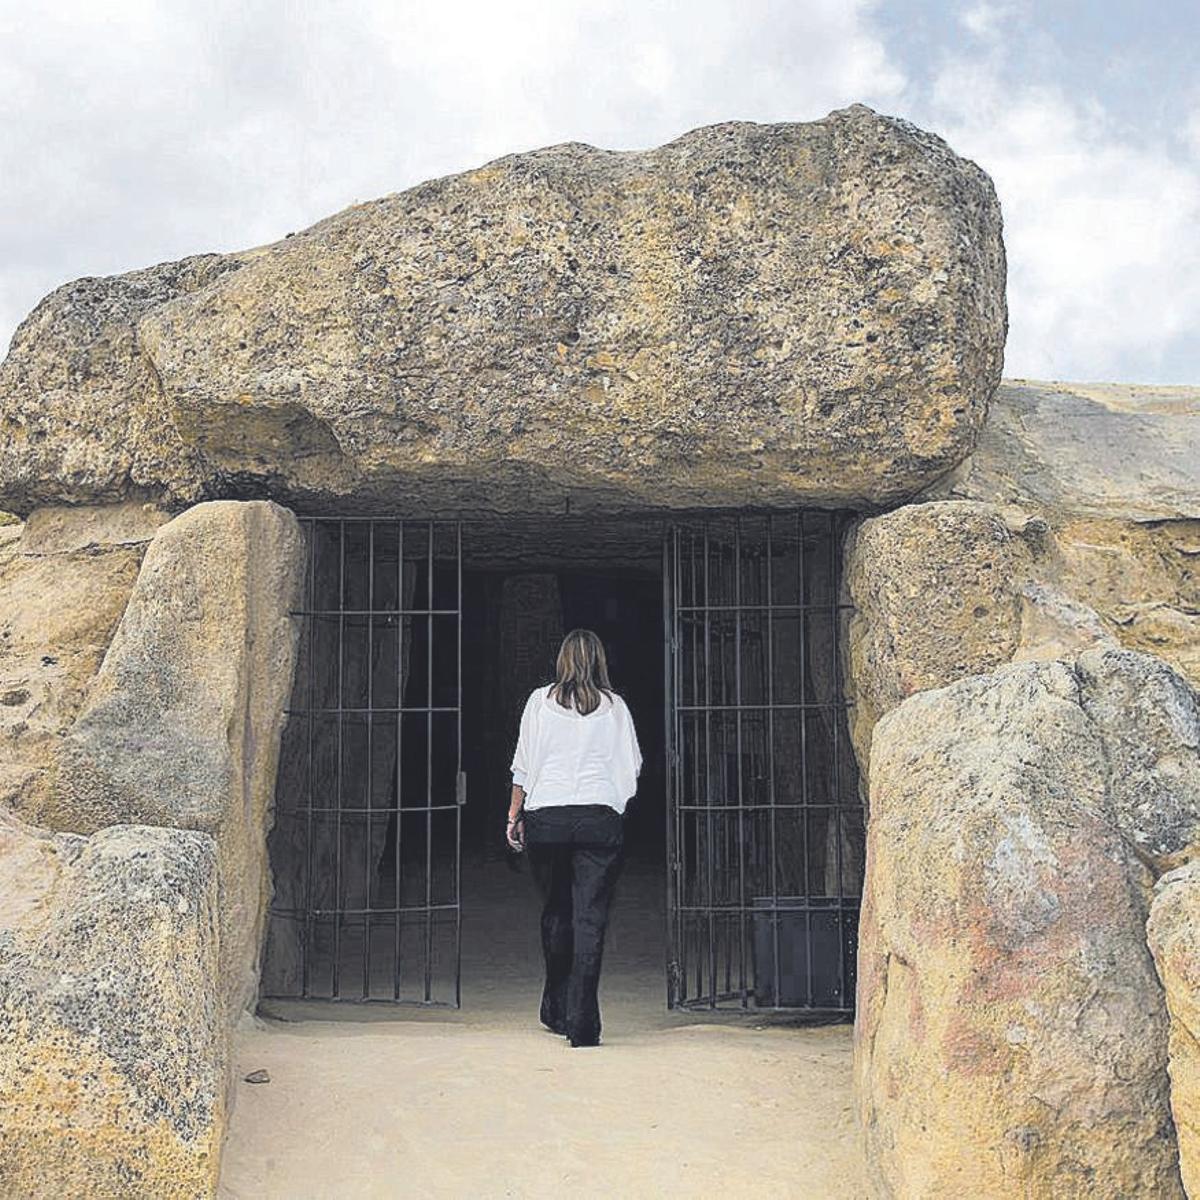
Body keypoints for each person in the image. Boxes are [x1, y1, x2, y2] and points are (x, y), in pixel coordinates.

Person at [506, 628, 642, 1047]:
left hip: (547, 820)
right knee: (590, 917)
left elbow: (523, 765)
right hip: (598, 819)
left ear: (562, 660)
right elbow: (632, 767)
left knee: (557, 911)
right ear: (599, 660)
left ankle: (556, 1005)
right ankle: (582, 1023)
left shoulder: (538, 702)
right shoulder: (616, 708)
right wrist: (612, 802)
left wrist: (514, 815)